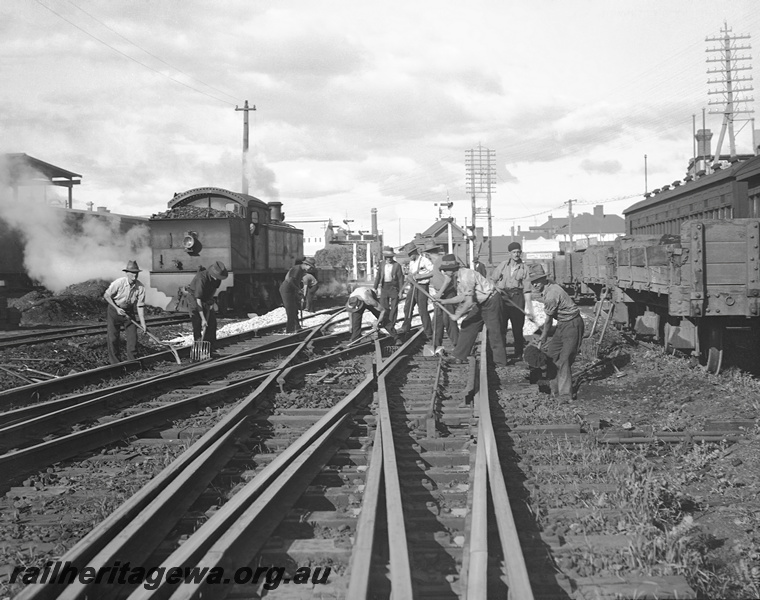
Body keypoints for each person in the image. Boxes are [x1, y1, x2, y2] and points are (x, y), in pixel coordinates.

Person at [436, 254, 508, 366]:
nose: (444, 273)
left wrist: (457, 315)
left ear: (452, 270)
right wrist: (444, 301)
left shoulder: (465, 277)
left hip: (491, 301)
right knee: (467, 325)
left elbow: (469, 302)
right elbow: (462, 297)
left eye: (445, 270)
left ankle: (500, 362)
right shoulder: (458, 278)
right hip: (481, 303)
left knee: (494, 331)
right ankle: (459, 356)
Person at [530, 265, 584, 402]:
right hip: (562, 324)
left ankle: (566, 395)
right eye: (532, 281)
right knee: (552, 355)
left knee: (564, 359)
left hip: (572, 324)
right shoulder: (548, 290)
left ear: (544, 279)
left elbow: (548, 321)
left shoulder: (552, 294)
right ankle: (554, 389)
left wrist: (543, 336)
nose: (535, 284)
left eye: (537, 280)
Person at [491, 242, 535, 361]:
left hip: (517, 297)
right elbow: (492, 280)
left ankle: (518, 353)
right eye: (514, 252)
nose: (516, 254)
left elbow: (527, 290)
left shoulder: (524, 268)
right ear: (509, 253)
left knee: (517, 327)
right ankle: (501, 354)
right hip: (503, 298)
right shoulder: (503, 265)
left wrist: (530, 310)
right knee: (501, 326)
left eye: (518, 252)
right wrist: (497, 290)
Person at [103, 260, 147, 365]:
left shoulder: (140, 287)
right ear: (127, 273)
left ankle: (133, 362)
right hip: (114, 311)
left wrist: (143, 324)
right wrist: (117, 308)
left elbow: (140, 306)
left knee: (133, 338)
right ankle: (115, 363)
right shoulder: (119, 283)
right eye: (132, 273)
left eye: (136, 273)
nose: (134, 275)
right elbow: (106, 295)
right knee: (113, 338)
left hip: (129, 312)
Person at [187, 260, 228, 354]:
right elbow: (198, 300)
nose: (218, 279)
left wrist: (210, 302)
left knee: (212, 323)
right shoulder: (202, 278)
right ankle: (198, 348)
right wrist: (203, 319)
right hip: (194, 299)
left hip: (206, 299)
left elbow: (213, 290)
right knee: (197, 323)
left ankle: (210, 348)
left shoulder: (218, 279)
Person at [425, 242, 459, 354]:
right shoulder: (436, 263)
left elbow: (448, 278)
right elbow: (434, 273)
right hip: (441, 293)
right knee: (437, 320)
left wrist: (440, 293)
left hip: (447, 293)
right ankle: (435, 345)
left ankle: (458, 345)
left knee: (448, 320)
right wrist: (420, 276)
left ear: (429, 254)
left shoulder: (441, 260)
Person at [400, 244, 434, 338]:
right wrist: (402, 289)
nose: (409, 257)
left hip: (422, 286)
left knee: (422, 309)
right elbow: (410, 275)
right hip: (413, 286)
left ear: (414, 252)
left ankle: (428, 332)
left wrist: (421, 276)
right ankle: (406, 327)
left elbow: (433, 272)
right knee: (408, 307)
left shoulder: (424, 260)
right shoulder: (412, 262)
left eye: (410, 254)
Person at [373, 246, 404, 337]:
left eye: (390, 257)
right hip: (384, 287)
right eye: (387, 257)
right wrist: (375, 287)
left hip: (394, 288)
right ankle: (386, 323)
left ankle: (392, 323)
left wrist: (401, 291)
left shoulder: (397, 265)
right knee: (384, 307)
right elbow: (378, 276)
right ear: (385, 257)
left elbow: (401, 279)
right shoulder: (382, 264)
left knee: (394, 307)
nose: (389, 259)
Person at [279, 257, 316, 332]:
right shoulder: (297, 269)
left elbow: (296, 282)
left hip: (291, 289)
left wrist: (299, 290)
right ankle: (290, 330)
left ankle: (297, 327)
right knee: (290, 310)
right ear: (306, 264)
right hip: (286, 289)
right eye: (310, 267)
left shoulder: (301, 270)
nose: (310, 269)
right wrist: (298, 290)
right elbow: (290, 281)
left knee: (295, 309)